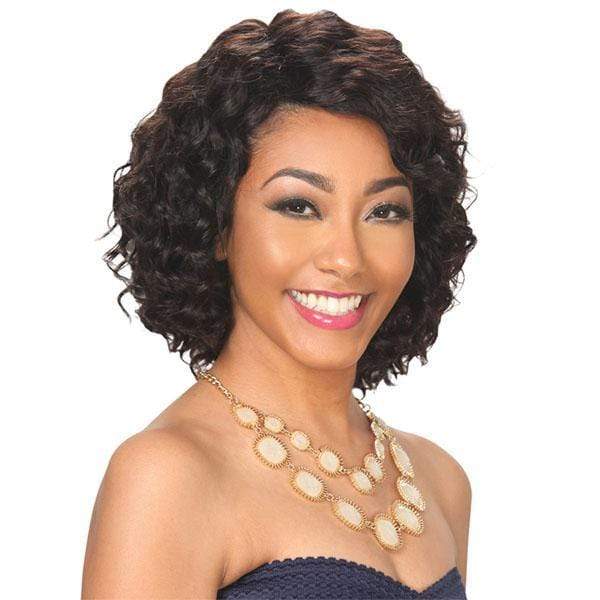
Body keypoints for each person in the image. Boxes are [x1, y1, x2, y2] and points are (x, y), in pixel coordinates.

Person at [82, 9, 477, 599]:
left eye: (385, 211)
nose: (346, 258)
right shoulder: (168, 477)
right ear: (216, 225)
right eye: (298, 206)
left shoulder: (438, 482)